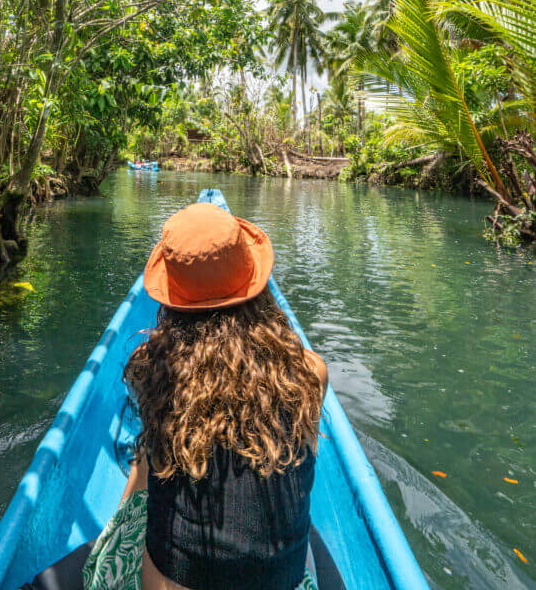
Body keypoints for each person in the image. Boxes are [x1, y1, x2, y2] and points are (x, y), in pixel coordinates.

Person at [27, 202, 337, 590]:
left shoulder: (153, 370)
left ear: (173, 299)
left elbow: (147, 475)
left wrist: (116, 529)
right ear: (254, 283)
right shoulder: (310, 372)